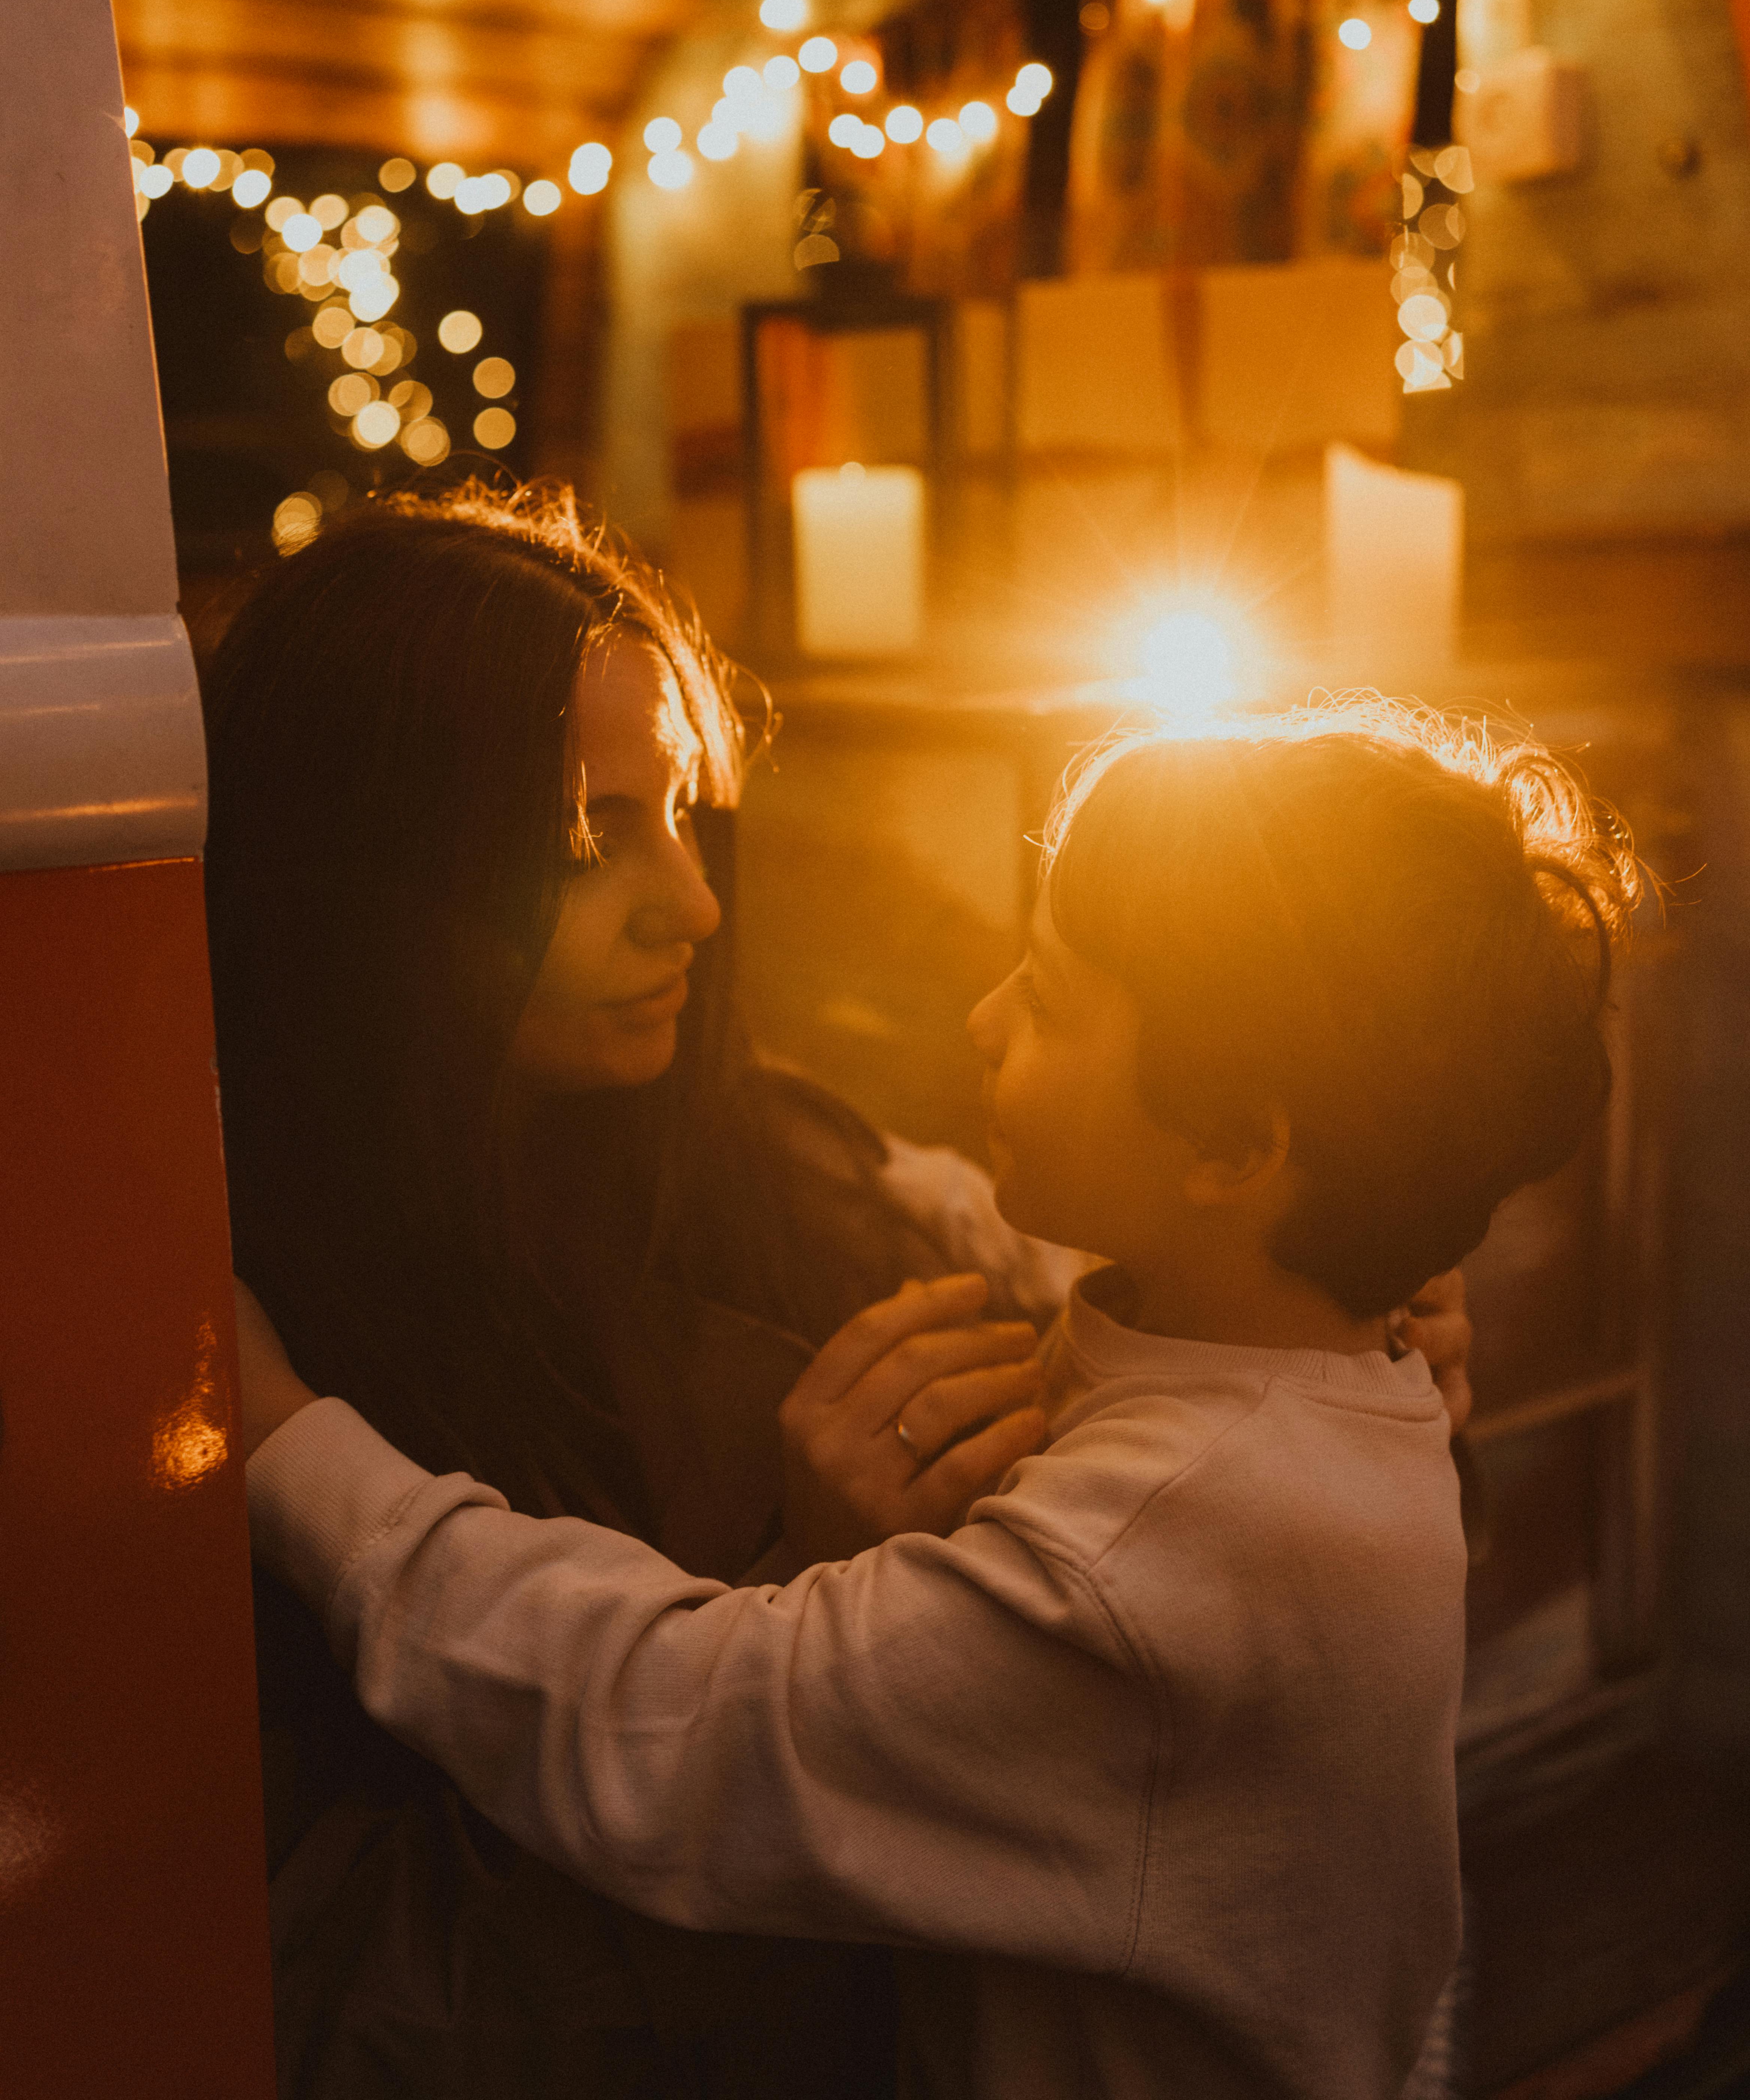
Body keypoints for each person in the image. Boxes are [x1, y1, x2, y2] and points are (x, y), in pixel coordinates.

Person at [236, 703, 1626, 2099]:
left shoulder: (1141, 1553)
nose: (983, 1017)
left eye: (1049, 995)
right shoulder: (1310, 1358)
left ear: (1233, 1145)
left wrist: (288, 1444)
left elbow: (676, 1725)